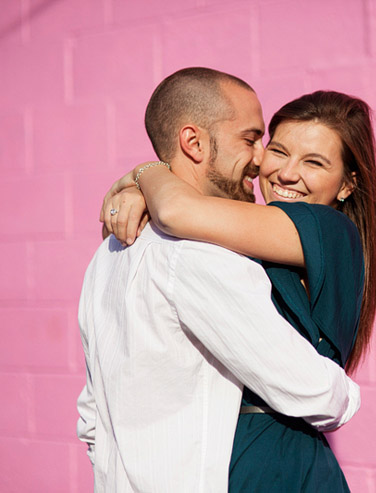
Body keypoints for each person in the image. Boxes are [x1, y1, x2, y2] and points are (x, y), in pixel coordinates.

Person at [77, 68, 361, 492]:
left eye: (315, 162)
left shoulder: (111, 253)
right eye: (258, 142)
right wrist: (346, 395)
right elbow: (314, 390)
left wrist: (144, 174)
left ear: (346, 185)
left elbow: (91, 422)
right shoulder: (201, 252)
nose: (266, 162)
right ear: (193, 142)